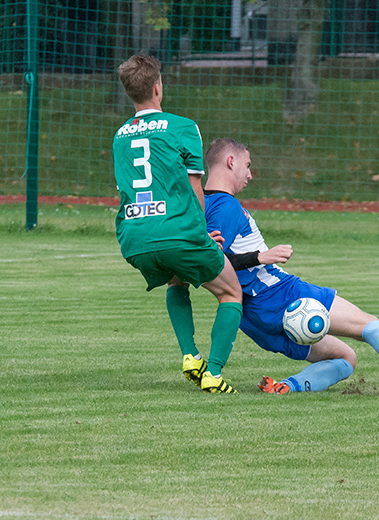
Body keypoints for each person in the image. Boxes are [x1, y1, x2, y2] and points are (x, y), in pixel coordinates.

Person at [203, 137, 379, 396]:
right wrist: (259, 257)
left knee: (346, 358)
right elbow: (215, 260)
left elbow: (203, 261)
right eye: (248, 166)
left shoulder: (201, 206)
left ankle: (287, 387)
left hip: (252, 319)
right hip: (278, 294)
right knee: (369, 325)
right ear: (231, 161)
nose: (250, 175)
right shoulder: (226, 205)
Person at [112, 53, 243, 393]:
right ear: (158, 88)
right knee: (230, 293)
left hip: (135, 237)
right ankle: (213, 373)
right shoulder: (183, 127)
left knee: (176, 282)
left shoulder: (120, 136)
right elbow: (193, 185)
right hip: (177, 232)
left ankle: (189, 356)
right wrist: (202, 233)